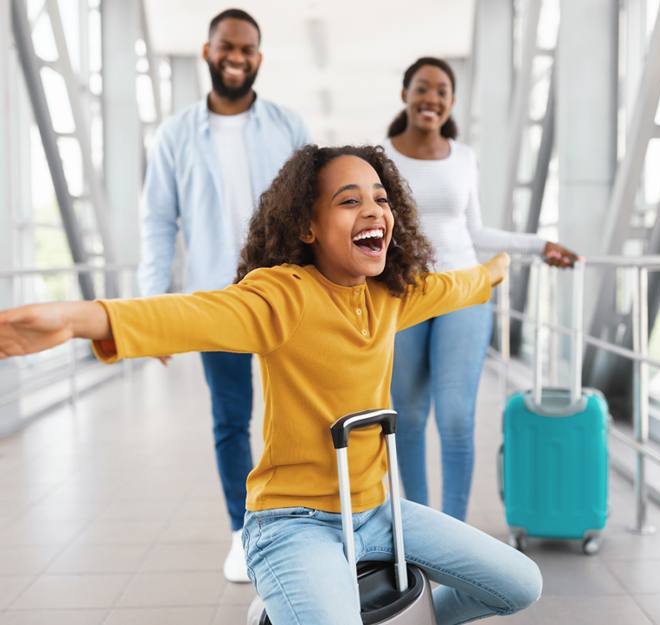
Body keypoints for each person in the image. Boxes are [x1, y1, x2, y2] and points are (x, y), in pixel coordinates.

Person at [0, 144, 542, 625]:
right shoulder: (281, 296)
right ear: (308, 227)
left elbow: (454, 286)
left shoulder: (392, 295)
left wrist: (495, 268)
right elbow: (189, 314)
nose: (374, 211)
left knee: (521, 585)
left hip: (378, 512)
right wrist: (78, 319)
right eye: (350, 201)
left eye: (381, 198)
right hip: (292, 523)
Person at [138, 9, 311, 581]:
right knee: (232, 418)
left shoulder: (289, 125)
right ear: (208, 52)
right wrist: (151, 307)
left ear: (258, 58)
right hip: (220, 298)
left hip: (288, 290)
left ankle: (310, 525)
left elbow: (319, 206)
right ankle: (244, 532)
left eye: (248, 49)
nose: (237, 56)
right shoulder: (175, 134)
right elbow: (159, 221)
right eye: (227, 46)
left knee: (304, 414)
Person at [383, 57, 578, 522]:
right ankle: (418, 530)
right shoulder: (378, 157)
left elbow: (476, 232)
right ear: (406, 94)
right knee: (407, 418)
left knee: (454, 418)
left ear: (451, 101)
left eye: (442, 91)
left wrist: (539, 245)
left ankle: (453, 533)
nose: (431, 98)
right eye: (423, 88)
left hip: (464, 292)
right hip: (403, 295)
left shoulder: (463, 156)